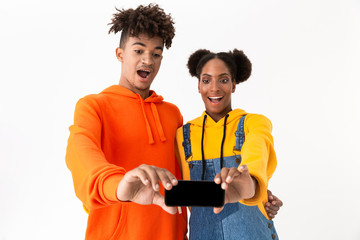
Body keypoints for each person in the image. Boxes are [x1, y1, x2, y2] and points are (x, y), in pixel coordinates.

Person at [66, 3, 282, 240]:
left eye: (156, 53)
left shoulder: (171, 115)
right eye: (138, 51)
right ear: (120, 54)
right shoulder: (94, 106)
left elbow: (190, 178)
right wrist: (119, 185)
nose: (148, 60)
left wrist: (256, 192)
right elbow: (82, 159)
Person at [175, 49, 280, 239]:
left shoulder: (254, 123)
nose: (214, 88)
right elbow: (176, 189)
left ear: (234, 85)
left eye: (223, 80)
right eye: (206, 80)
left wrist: (251, 185)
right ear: (198, 85)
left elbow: (256, 154)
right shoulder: (183, 136)